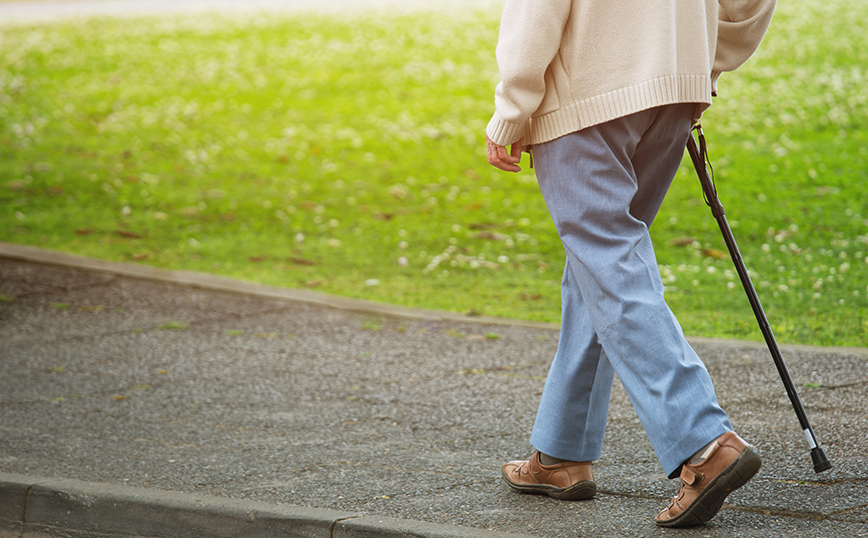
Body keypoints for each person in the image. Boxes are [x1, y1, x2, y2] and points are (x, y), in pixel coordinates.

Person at [485, 0, 776, 528]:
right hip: (673, 90)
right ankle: (561, 454)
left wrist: (512, 108)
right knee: (598, 269)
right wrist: (698, 62)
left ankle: (704, 443)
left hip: (587, 95)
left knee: (609, 264)